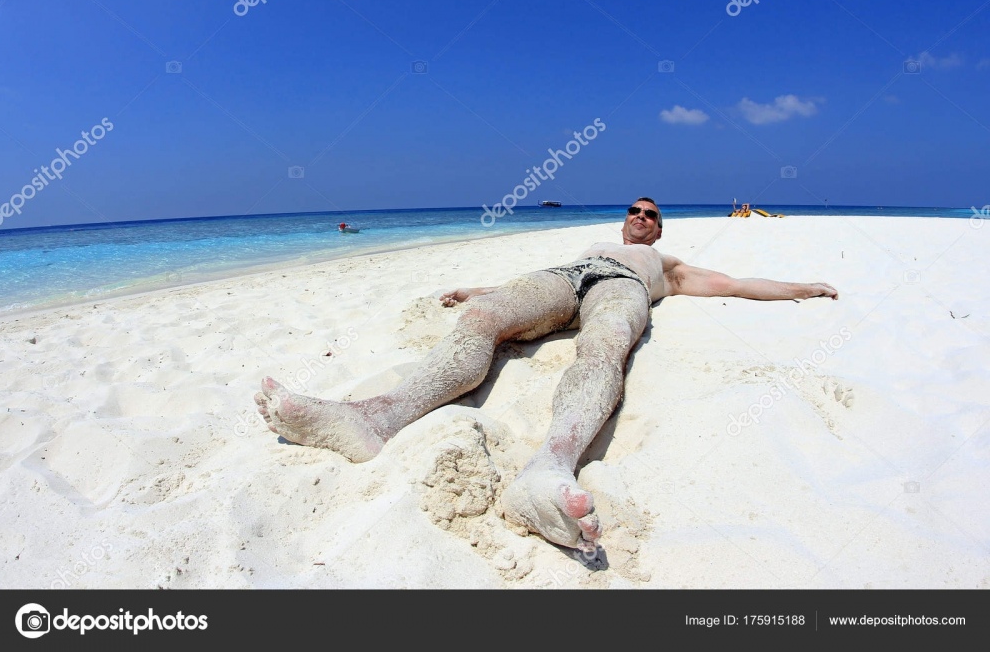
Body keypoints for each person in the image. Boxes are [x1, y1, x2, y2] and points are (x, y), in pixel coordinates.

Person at [254, 198, 837, 553]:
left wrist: (804, 288)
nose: (639, 218)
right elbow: (511, 290)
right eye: (634, 211)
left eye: (650, 215)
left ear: (659, 231)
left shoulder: (665, 267)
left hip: (619, 291)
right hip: (563, 276)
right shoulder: (593, 243)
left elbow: (735, 284)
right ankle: (374, 418)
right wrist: (475, 290)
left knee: (606, 347)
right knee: (484, 318)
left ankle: (551, 465)